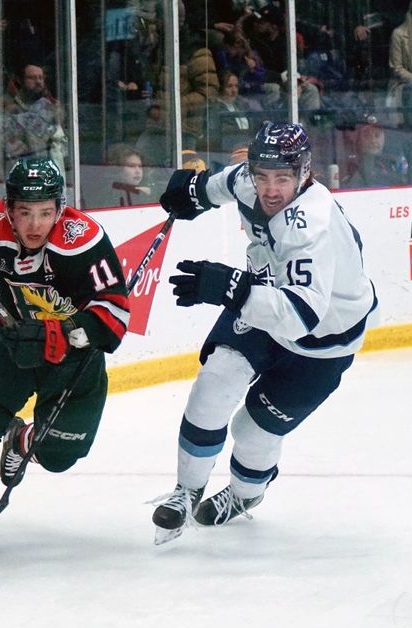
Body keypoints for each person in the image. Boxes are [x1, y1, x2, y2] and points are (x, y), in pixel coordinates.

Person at [148, 123, 378, 544]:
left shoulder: (312, 226)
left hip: (322, 341)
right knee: (215, 383)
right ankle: (186, 491)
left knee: (252, 432)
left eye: (282, 179)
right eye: (263, 176)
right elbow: (225, 184)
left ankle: (244, 494)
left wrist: (231, 289)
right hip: (267, 300)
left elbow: (300, 317)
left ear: (304, 173)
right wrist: (194, 192)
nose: (271, 190)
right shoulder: (249, 179)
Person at [0, 158, 130, 552]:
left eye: (45, 213)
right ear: (8, 209)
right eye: (25, 213)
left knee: (60, 454)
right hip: (11, 340)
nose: (35, 225)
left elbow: (115, 316)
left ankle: (22, 440)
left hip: (73, 357)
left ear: (60, 209)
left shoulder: (84, 239)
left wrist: (57, 335)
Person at [0, 63, 68, 171]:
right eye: (32, 78)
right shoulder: (7, 105)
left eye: (41, 78)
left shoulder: (51, 105)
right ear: (20, 80)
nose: (38, 82)